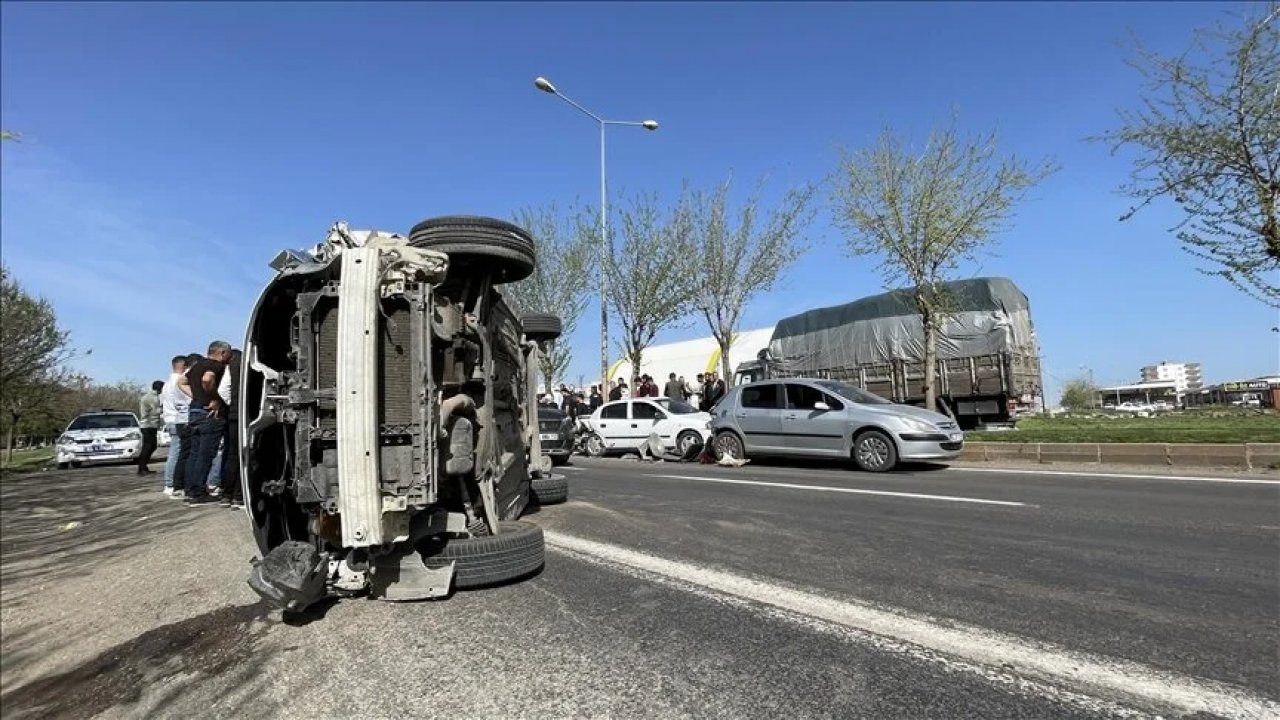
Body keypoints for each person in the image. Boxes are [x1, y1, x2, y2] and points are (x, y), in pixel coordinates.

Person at [179, 341, 232, 506]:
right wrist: (213, 398)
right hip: (209, 414)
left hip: (194, 412)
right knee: (205, 454)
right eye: (228, 354)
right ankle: (199, 492)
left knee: (194, 453)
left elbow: (181, 382)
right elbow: (207, 379)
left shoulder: (197, 365)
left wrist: (196, 396)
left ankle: (190, 490)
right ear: (222, 352)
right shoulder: (215, 366)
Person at [160, 355, 190, 496]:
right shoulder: (180, 381)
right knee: (177, 452)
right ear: (183, 366)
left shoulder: (166, 384)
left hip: (170, 418)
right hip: (179, 418)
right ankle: (171, 483)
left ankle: (170, 482)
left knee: (175, 451)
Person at [219, 349, 244, 507]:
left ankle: (227, 494)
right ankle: (239, 495)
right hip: (247, 415)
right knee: (246, 455)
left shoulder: (232, 365)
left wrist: (232, 404)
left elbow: (222, 390)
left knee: (232, 455)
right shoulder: (250, 362)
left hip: (234, 416)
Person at [136, 381, 163, 476]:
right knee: (148, 447)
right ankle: (141, 467)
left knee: (150, 446)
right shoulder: (153, 398)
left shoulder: (148, 396)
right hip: (149, 424)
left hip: (148, 425)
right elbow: (155, 411)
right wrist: (164, 409)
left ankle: (143, 466)